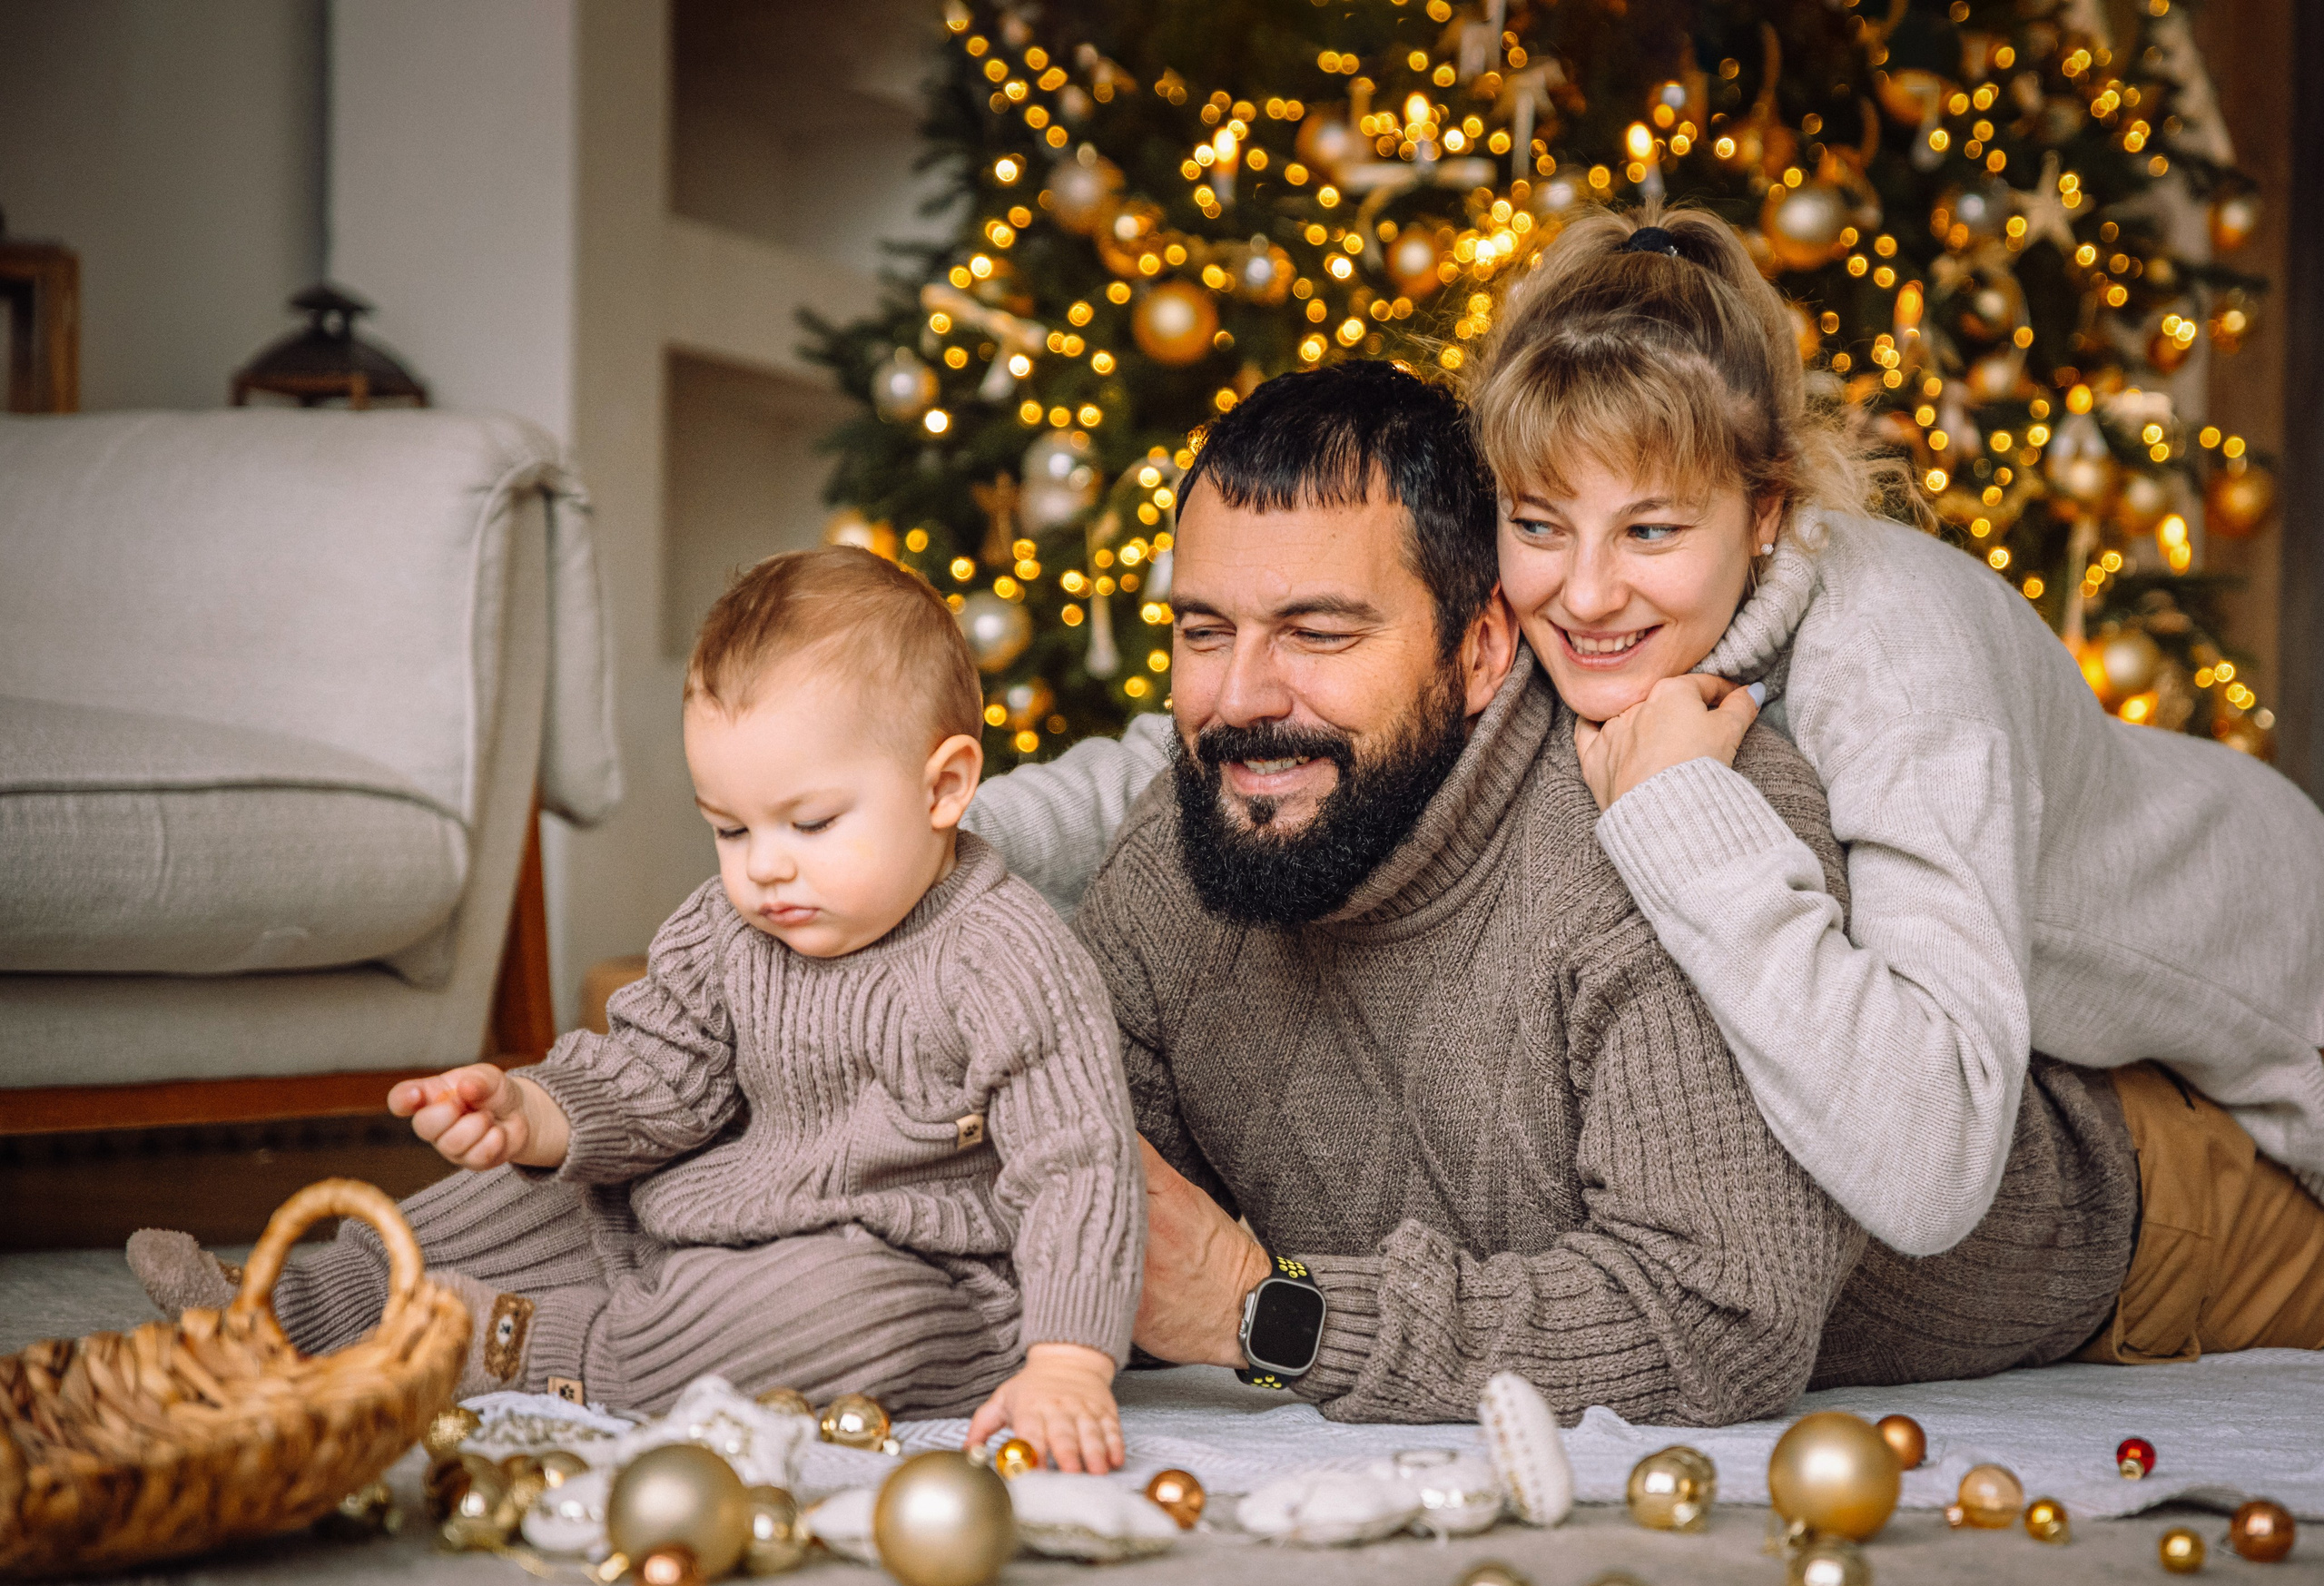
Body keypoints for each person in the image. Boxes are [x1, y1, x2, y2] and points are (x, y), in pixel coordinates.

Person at [1073, 362, 2152, 1425]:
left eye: (1319, 633)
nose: (1239, 697)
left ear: (1482, 646)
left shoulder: (1673, 822)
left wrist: (1267, 1310)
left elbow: (1716, 1316)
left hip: (2156, 1222)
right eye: (1202, 631)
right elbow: (1082, 1218)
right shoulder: (1178, 866)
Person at [130, 547, 1143, 1473]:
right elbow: (654, 1076)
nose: (766, 864)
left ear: (946, 786)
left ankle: (518, 1342)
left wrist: (1068, 1360)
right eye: (730, 828)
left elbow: (1078, 1164)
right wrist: (531, 1113)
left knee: (839, 1314)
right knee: (533, 1193)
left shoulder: (1006, 956)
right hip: (706, 1209)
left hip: (911, 1271)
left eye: (811, 821)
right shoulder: (728, 927)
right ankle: (300, 1302)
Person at [1463, 205, 2324, 1276]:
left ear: (1764, 507)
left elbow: (1933, 1168)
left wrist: (1678, 813)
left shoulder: (1896, 665)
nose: (1584, 595)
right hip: (2117, 1057)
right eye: (1539, 522)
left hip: (2287, 972)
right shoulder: (1549, 622)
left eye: (1651, 529)